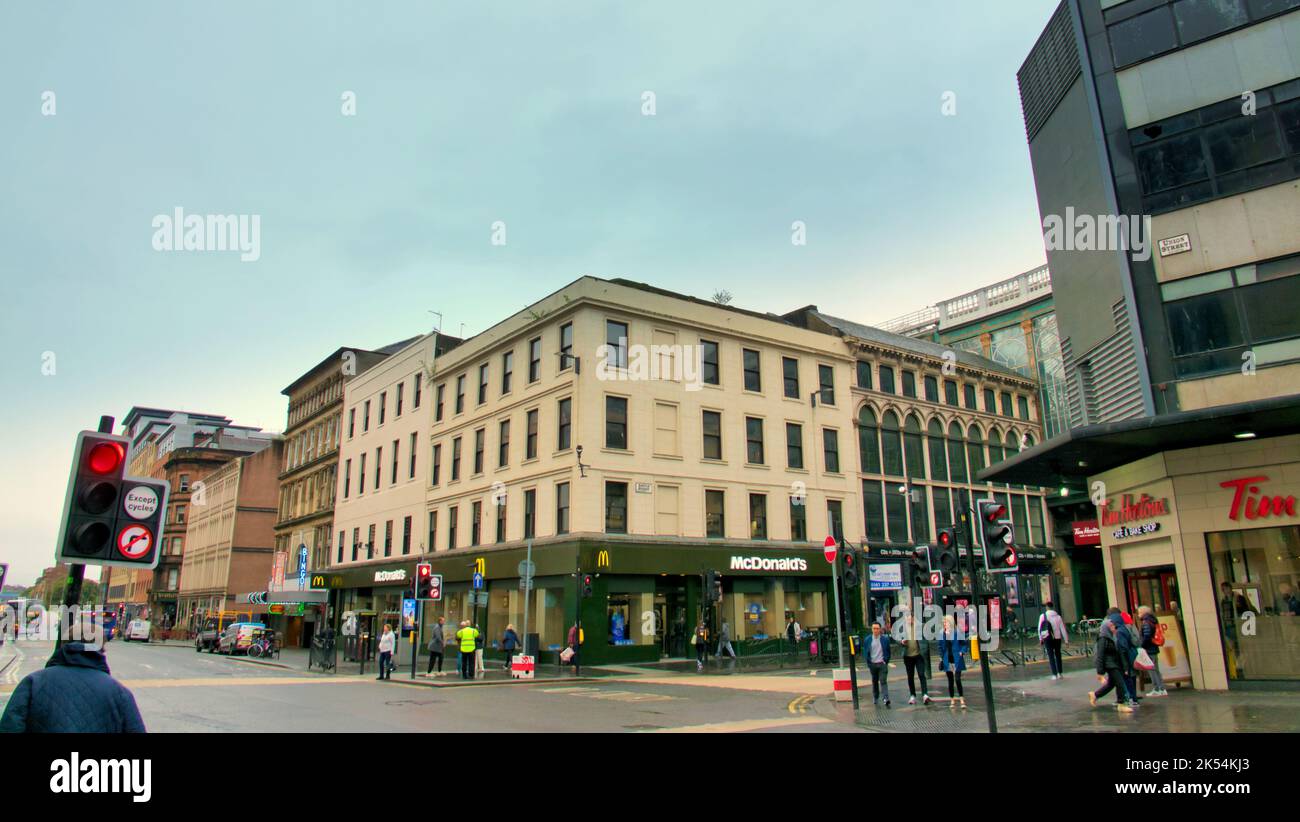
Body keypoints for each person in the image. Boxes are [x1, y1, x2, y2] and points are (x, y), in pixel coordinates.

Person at [0, 642, 146, 732]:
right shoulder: (119, 692)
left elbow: (9, 728)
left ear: (63, 645)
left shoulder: (33, 682)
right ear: (100, 650)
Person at [1090, 608, 1137, 712]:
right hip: (1110, 664)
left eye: (1113, 625)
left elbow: (1120, 652)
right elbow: (1100, 655)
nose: (1113, 627)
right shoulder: (1103, 639)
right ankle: (1122, 704)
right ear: (1106, 628)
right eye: (1111, 626)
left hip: (1115, 663)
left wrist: (1124, 666)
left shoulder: (1114, 637)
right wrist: (1100, 672)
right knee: (1120, 683)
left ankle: (1095, 695)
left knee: (1112, 683)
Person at [898, 611, 931, 705]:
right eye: (906, 618)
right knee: (910, 676)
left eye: (910, 618)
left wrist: (923, 651)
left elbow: (925, 640)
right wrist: (901, 642)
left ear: (913, 618)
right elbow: (897, 639)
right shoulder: (902, 628)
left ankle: (925, 694)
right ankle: (912, 695)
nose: (908, 620)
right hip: (907, 656)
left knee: (921, 674)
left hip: (918, 655)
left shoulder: (919, 627)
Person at [1137, 606, 1167, 697]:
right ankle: (1161, 688)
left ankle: (1158, 688)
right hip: (1153, 648)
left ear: (1143, 612)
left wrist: (1142, 646)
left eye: (1139, 612)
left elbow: (1147, 636)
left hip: (1149, 649)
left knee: (1152, 669)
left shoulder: (1146, 622)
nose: (1138, 614)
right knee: (1155, 669)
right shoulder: (1153, 620)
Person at [937, 615, 966, 708]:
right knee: (950, 681)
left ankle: (962, 699)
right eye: (944, 623)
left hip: (957, 659)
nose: (945, 624)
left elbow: (964, 644)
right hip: (947, 659)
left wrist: (962, 651)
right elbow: (940, 647)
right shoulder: (942, 634)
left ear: (951, 623)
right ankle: (952, 700)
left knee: (957, 679)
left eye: (947, 622)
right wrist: (941, 657)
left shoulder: (957, 632)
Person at [1038, 601, 1069, 680]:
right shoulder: (1058, 617)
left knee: (1051, 655)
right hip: (1057, 638)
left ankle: (1054, 674)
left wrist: (1040, 638)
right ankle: (1060, 673)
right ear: (1052, 607)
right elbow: (1063, 629)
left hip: (1047, 638)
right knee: (1058, 655)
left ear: (1047, 607)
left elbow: (1040, 628)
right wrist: (1066, 640)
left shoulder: (1043, 616)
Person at [864, 621, 891, 707]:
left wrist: (885, 661)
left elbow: (888, 652)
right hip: (873, 664)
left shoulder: (885, 639)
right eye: (874, 628)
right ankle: (875, 697)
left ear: (880, 629)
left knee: (883, 681)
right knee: (875, 681)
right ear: (872, 629)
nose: (876, 630)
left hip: (882, 664)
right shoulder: (868, 640)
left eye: (877, 628)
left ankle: (886, 698)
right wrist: (869, 663)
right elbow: (865, 652)